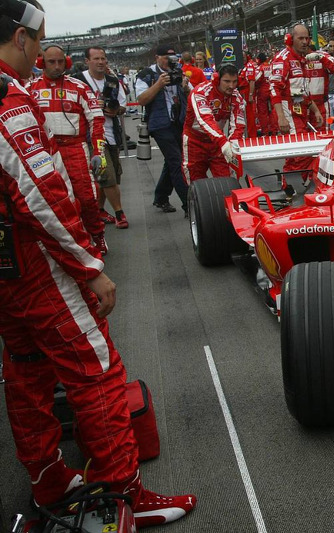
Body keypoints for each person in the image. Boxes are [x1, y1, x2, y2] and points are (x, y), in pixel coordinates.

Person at [0, 1, 196, 528]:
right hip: (34, 264)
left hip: (6, 275)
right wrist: (90, 266)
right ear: (22, 38)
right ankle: (122, 492)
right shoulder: (9, 100)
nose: (42, 52)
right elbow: (39, 196)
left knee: (26, 375)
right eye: (39, 41)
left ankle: (48, 479)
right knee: (98, 372)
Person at [28, 44, 108, 254]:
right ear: (41, 63)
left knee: (87, 197)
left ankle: (97, 236)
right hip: (46, 151)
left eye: (60, 62)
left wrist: (98, 152)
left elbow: (97, 120)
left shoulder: (79, 87)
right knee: (53, 200)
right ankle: (68, 243)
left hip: (75, 148)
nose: (56, 66)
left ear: (67, 62)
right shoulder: (30, 89)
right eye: (51, 62)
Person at [75, 46, 128, 229]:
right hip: (91, 136)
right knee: (107, 176)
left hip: (112, 133)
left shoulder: (113, 81)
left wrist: (114, 110)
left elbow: (123, 106)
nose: (100, 62)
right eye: (96, 59)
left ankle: (99, 210)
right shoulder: (78, 81)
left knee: (110, 177)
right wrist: (91, 105)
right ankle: (120, 213)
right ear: (87, 61)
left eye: (103, 58)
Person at [135, 44, 191, 216]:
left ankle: (160, 197)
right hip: (160, 124)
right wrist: (159, 84)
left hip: (178, 122)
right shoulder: (146, 75)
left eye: (173, 58)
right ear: (157, 58)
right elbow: (141, 100)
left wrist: (185, 87)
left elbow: (191, 95)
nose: (170, 61)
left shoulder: (178, 71)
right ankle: (189, 205)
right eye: (166, 58)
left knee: (171, 161)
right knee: (176, 162)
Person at [270, 23, 324, 188]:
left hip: (299, 110)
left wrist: (315, 111)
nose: (305, 41)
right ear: (290, 39)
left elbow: (302, 91)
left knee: (302, 154)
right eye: (300, 38)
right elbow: (274, 89)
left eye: (306, 38)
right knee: (299, 154)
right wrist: (281, 117)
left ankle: (295, 187)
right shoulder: (283, 58)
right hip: (286, 111)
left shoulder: (302, 59)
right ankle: (291, 190)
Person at [182, 63, 246, 182]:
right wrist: (223, 143)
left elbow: (238, 125)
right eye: (227, 81)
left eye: (234, 81)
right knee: (196, 184)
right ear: (217, 79)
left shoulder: (236, 97)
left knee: (227, 180)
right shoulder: (200, 92)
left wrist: (232, 144)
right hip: (195, 142)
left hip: (217, 143)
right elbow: (205, 120)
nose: (231, 86)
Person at [305, 45, 334, 130]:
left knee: (323, 135)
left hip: (320, 104)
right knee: (301, 137)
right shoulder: (291, 58)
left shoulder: (322, 56)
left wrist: (322, 59)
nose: (303, 42)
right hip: (300, 106)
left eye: (306, 38)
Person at [254, 51, 275, 135]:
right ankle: (274, 130)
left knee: (262, 112)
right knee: (273, 111)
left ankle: (265, 131)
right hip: (272, 90)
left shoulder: (260, 68)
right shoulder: (272, 66)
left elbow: (255, 79)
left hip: (263, 92)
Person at [238, 51, 258, 137]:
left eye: (243, 56)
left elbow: (252, 81)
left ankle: (251, 136)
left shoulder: (249, 66)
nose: (242, 58)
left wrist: (250, 95)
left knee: (249, 116)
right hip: (240, 92)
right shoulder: (240, 67)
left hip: (246, 93)